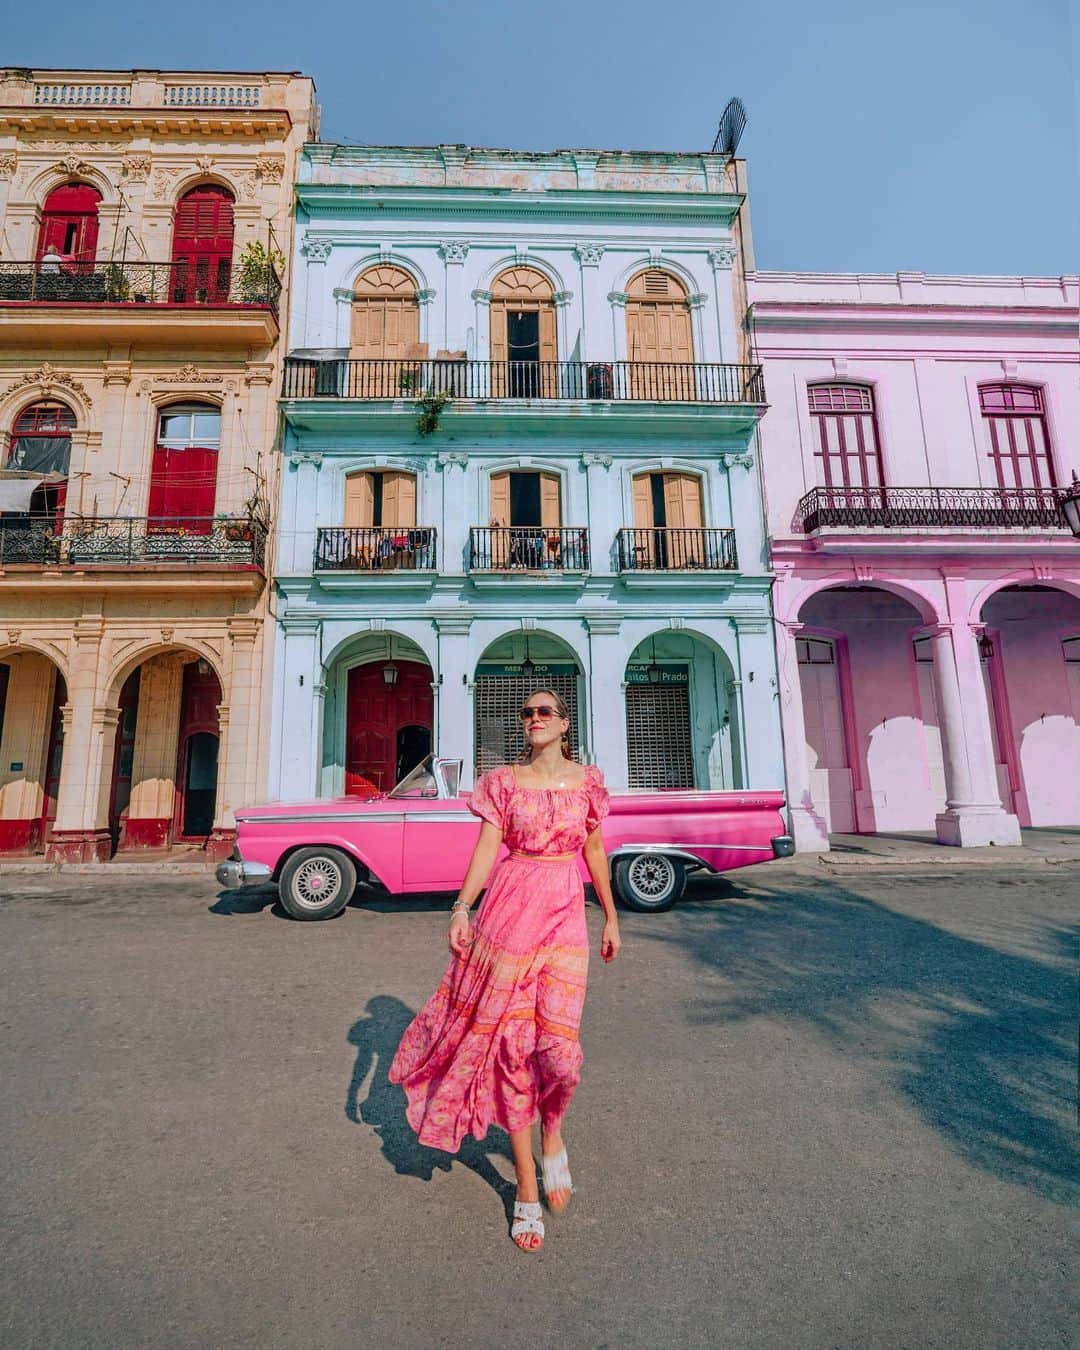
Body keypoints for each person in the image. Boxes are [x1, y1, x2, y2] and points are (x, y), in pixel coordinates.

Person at [388, 688, 621, 1251]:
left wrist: (612, 917)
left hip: (566, 914)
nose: (534, 719)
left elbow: (594, 852)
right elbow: (487, 849)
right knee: (515, 1049)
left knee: (560, 1057)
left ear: (566, 724)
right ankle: (524, 1190)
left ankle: (554, 1133)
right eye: (527, 713)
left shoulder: (587, 782)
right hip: (510, 913)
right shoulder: (502, 782)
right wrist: (461, 907)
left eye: (545, 712)